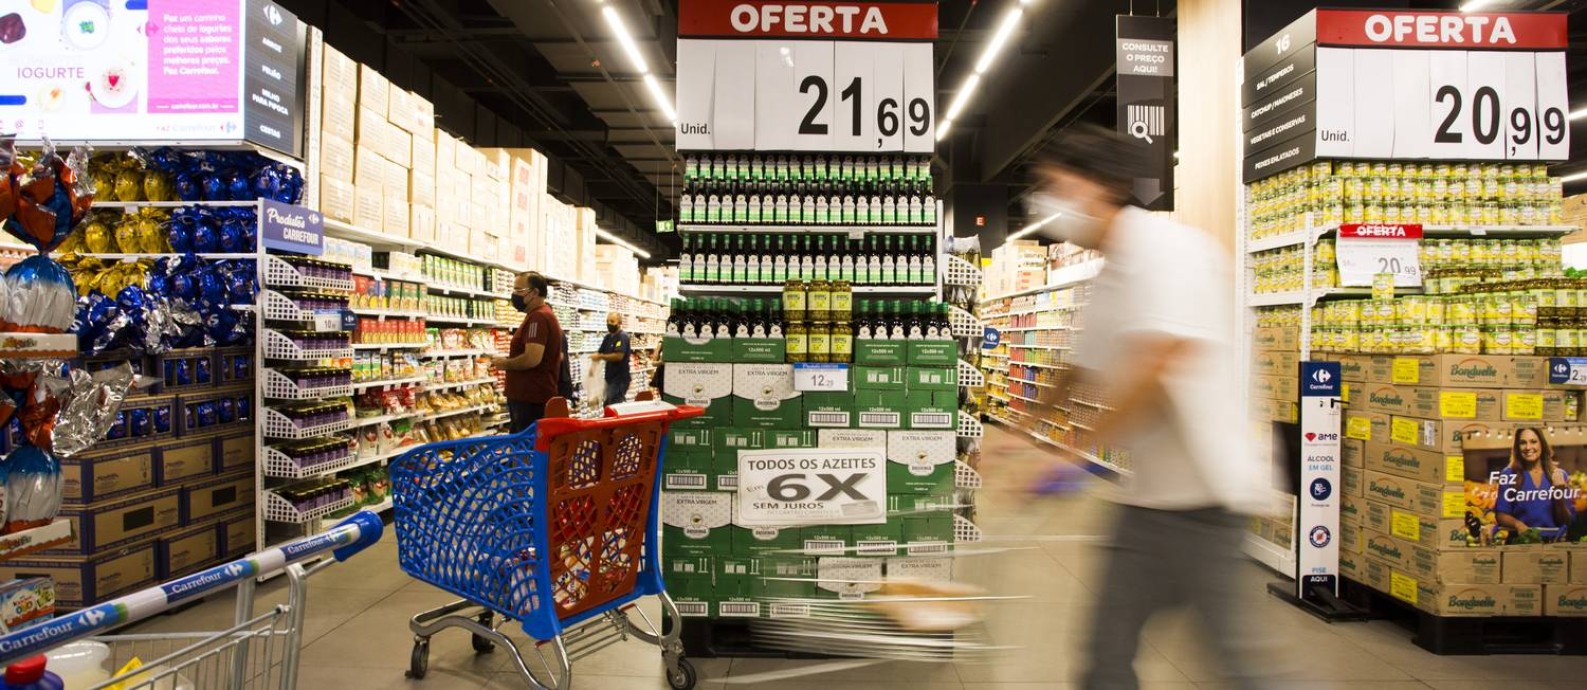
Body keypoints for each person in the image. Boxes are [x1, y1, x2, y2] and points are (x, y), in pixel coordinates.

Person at [1024, 124, 1270, 690]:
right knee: (1106, 653)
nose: (1048, 203)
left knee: (1241, 662)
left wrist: (1073, 453)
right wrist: (1024, 429)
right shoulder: (1110, 268)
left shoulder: (1168, 250)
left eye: (1057, 186)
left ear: (1100, 186)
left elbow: (1161, 361)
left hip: (1204, 497)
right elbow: (1077, 367)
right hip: (1151, 498)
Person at [494, 271, 563, 433]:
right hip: (530, 397)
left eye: (519, 291)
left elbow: (532, 358)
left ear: (534, 293)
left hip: (530, 399)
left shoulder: (538, 317)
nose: (514, 295)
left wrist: (503, 363)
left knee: (527, 448)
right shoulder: (539, 315)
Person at [1493, 427, 1575, 542]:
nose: (1528, 447)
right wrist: (1518, 525)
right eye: (1523, 443)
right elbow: (1501, 515)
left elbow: (1565, 521)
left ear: (1542, 444)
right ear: (1517, 447)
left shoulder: (1559, 475)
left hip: (1552, 543)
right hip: (1521, 542)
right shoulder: (1509, 474)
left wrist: (1559, 494)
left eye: (1533, 441)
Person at [589, 313, 633, 407]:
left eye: (612, 321)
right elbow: (599, 353)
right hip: (610, 378)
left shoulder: (622, 337)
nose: (609, 323)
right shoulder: (608, 337)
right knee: (608, 404)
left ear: (619, 323)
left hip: (620, 379)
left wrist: (601, 357)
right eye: (607, 321)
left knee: (614, 405)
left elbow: (619, 356)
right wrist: (592, 369)